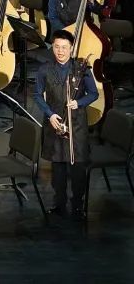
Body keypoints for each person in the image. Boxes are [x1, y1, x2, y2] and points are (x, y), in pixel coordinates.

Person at [33, 29, 98, 220]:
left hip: (76, 124)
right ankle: (59, 204)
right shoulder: (45, 69)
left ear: (71, 48)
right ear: (52, 47)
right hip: (55, 122)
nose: (60, 51)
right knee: (58, 168)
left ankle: (78, 205)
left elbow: (93, 94)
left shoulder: (81, 68)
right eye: (57, 47)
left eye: (64, 47)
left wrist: (79, 103)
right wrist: (50, 114)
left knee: (78, 168)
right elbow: (37, 95)